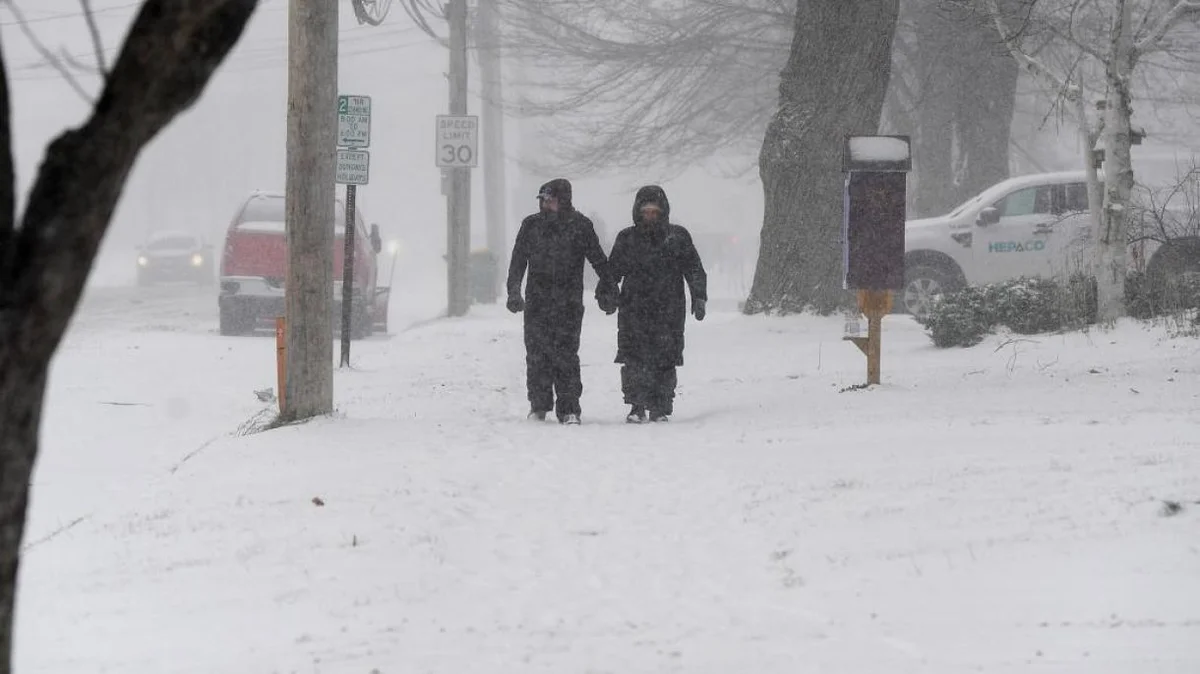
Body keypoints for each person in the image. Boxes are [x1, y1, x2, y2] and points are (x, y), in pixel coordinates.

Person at [507, 178, 614, 425]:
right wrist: (514, 291)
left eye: (551, 200)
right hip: (537, 302)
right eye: (543, 201)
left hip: (568, 303)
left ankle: (569, 408)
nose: (546, 205)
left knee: (566, 355)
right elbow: (517, 262)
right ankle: (539, 405)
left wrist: (608, 288)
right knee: (537, 355)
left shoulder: (580, 226)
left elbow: (598, 260)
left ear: (563, 201)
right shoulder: (531, 226)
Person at [605, 185, 707, 423]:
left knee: (665, 358)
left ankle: (660, 406)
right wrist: (608, 295)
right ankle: (637, 405)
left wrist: (699, 296)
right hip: (634, 308)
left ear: (662, 212)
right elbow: (613, 271)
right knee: (633, 359)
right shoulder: (627, 238)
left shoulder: (677, 237)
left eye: (654, 212)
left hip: (668, 309)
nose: (650, 216)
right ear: (638, 212)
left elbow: (694, 268)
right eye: (646, 211)